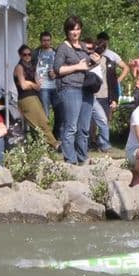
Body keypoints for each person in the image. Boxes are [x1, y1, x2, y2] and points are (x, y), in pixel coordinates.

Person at [54, 15, 98, 165]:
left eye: (78, 29)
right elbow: (57, 69)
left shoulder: (84, 47)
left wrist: (94, 62)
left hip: (86, 89)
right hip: (70, 88)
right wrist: (77, 66)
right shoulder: (63, 47)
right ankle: (70, 160)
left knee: (84, 127)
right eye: (72, 29)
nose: (75, 32)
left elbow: (87, 66)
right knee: (71, 127)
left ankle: (82, 157)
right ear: (67, 31)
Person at [13, 44, 59, 149]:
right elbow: (24, 86)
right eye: (25, 55)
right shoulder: (19, 67)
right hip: (26, 99)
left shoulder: (32, 67)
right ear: (20, 55)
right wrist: (31, 83)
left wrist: (30, 83)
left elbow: (38, 86)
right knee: (40, 123)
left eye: (29, 54)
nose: (27, 56)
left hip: (34, 96)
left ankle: (44, 148)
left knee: (42, 123)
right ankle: (54, 144)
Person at [84, 37, 115, 153]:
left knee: (102, 119)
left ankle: (104, 145)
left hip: (94, 95)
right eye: (87, 49)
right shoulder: (81, 59)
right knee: (85, 123)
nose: (90, 51)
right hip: (82, 95)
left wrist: (114, 98)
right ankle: (85, 145)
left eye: (92, 48)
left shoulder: (104, 60)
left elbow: (111, 80)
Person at [31, 31, 61, 139]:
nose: (46, 42)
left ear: (51, 41)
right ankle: (45, 139)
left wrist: (56, 74)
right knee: (45, 115)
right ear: (40, 41)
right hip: (43, 87)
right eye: (44, 40)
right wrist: (35, 80)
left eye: (48, 40)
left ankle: (56, 137)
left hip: (55, 86)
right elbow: (31, 68)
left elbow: (62, 69)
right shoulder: (36, 53)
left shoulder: (56, 52)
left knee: (59, 113)